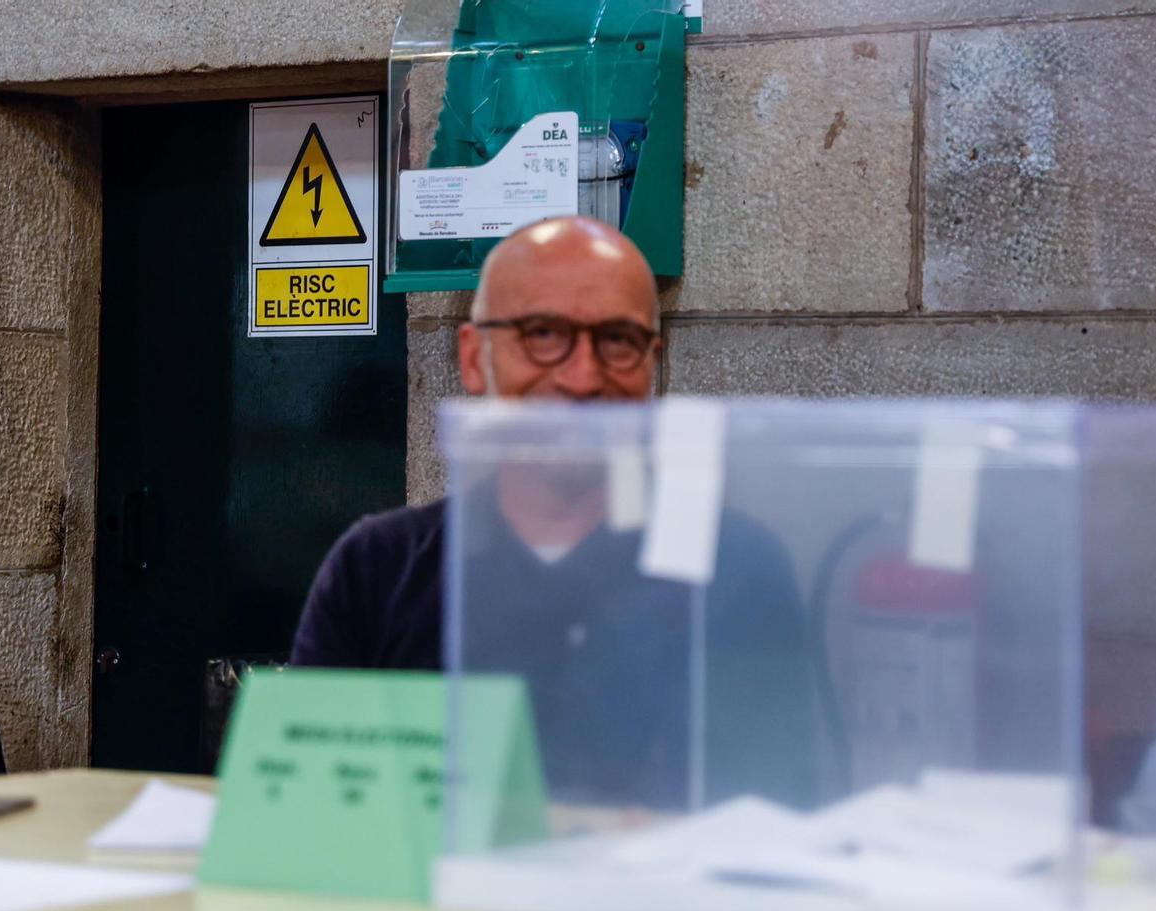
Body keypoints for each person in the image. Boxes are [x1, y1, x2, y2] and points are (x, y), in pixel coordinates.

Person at [291, 216, 816, 810]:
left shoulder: (734, 570)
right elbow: (308, 811)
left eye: (618, 339)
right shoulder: (380, 570)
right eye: (543, 333)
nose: (583, 376)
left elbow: (781, 819)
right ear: (473, 357)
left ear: (652, 364)